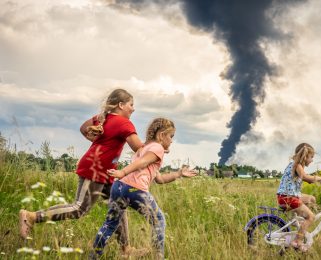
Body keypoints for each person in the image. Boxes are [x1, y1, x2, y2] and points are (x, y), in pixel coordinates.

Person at [19, 88, 144, 256]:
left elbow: (83, 128)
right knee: (79, 208)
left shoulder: (103, 118)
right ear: (121, 105)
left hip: (108, 173)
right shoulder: (123, 123)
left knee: (119, 206)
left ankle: (126, 250)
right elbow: (139, 148)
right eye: (131, 104)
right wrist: (157, 147)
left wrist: (94, 138)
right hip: (94, 169)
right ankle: (31, 216)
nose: (133, 108)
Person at [91, 117, 197, 259]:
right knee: (159, 220)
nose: (172, 141)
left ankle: (93, 255)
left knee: (110, 224)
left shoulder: (144, 149)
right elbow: (142, 163)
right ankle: (158, 256)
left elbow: (159, 179)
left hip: (119, 187)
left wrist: (178, 174)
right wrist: (122, 172)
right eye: (171, 136)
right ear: (161, 135)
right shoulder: (157, 148)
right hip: (135, 189)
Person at [276, 143, 321, 252]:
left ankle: (301, 224)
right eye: (311, 157)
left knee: (311, 199)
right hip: (288, 198)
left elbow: (305, 178)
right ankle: (297, 241)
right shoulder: (297, 165)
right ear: (305, 156)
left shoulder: (295, 164)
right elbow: (305, 177)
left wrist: (317, 180)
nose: (312, 160)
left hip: (290, 196)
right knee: (311, 217)